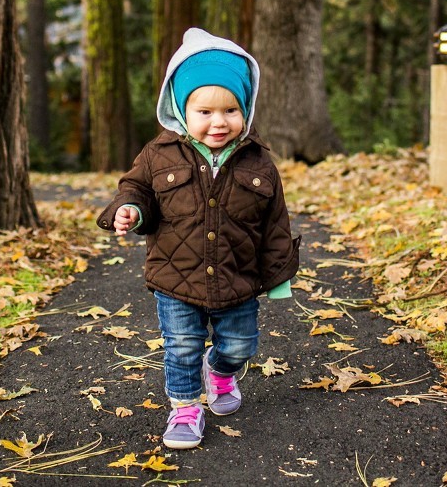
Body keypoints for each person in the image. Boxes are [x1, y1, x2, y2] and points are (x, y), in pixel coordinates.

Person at [97, 28, 300, 450]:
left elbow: (275, 222)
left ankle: (222, 372)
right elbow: (135, 190)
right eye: (204, 111)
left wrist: (278, 276)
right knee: (182, 347)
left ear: (246, 108)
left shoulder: (258, 161)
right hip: (177, 279)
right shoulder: (159, 154)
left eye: (230, 110)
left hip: (237, 278)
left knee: (241, 344)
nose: (218, 122)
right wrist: (129, 211)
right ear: (180, 109)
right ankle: (185, 408)